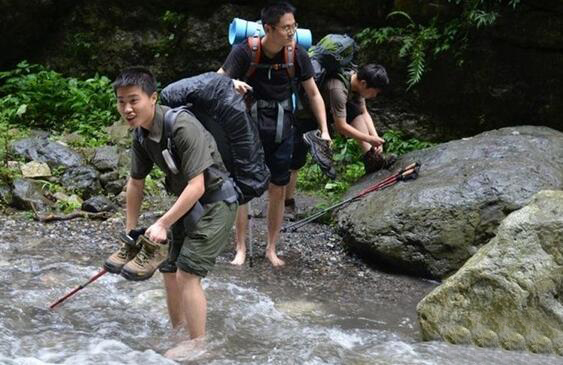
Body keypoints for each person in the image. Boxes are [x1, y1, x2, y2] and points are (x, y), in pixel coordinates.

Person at [106, 67, 238, 359]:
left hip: (216, 201)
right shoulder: (141, 135)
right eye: (121, 101)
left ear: (152, 98)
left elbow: (198, 185)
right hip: (188, 203)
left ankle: (198, 343)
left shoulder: (181, 126)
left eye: (133, 100)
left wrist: (163, 223)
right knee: (168, 268)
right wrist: (131, 232)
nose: (126, 108)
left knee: (188, 272)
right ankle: (179, 330)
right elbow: (135, 184)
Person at [218, 2, 330, 267]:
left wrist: (324, 130)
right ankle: (241, 248)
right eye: (286, 28)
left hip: (282, 127)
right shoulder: (245, 51)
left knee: (278, 188)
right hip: (248, 126)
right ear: (269, 28)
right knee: (243, 187)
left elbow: (313, 93)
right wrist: (232, 82)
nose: (291, 32)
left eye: (294, 27)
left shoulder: (296, 55)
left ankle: (271, 248)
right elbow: (217, 78)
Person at [285, 64, 396, 217]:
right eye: (375, 92)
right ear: (364, 84)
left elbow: (363, 112)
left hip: (328, 110)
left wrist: (375, 139)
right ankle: (287, 204)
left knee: (354, 110)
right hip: (307, 115)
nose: (375, 96)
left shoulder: (357, 84)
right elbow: (341, 126)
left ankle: (371, 158)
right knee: (296, 161)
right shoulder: (338, 89)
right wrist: (370, 138)